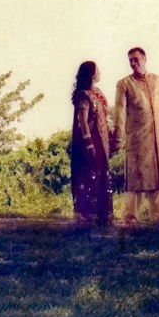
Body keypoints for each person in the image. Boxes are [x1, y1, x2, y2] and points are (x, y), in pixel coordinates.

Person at [114, 46, 159, 225]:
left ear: (145, 59)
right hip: (137, 139)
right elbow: (119, 112)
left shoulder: (157, 80)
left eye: (136, 59)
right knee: (135, 177)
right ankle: (130, 218)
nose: (133, 63)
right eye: (130, 60)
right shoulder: (124, 84)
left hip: (156, 138)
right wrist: (117, 137)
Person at [67, 60, 114, 228]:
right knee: (89, 174)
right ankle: (88, 214)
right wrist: (89, 143)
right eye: (98, 70)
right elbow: (83, 120)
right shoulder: (83, 95)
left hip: (101, 140)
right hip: (91, 141)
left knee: (101, 174)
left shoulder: (98, 93)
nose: (100, 72)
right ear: (92, 74)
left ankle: (102, 214)